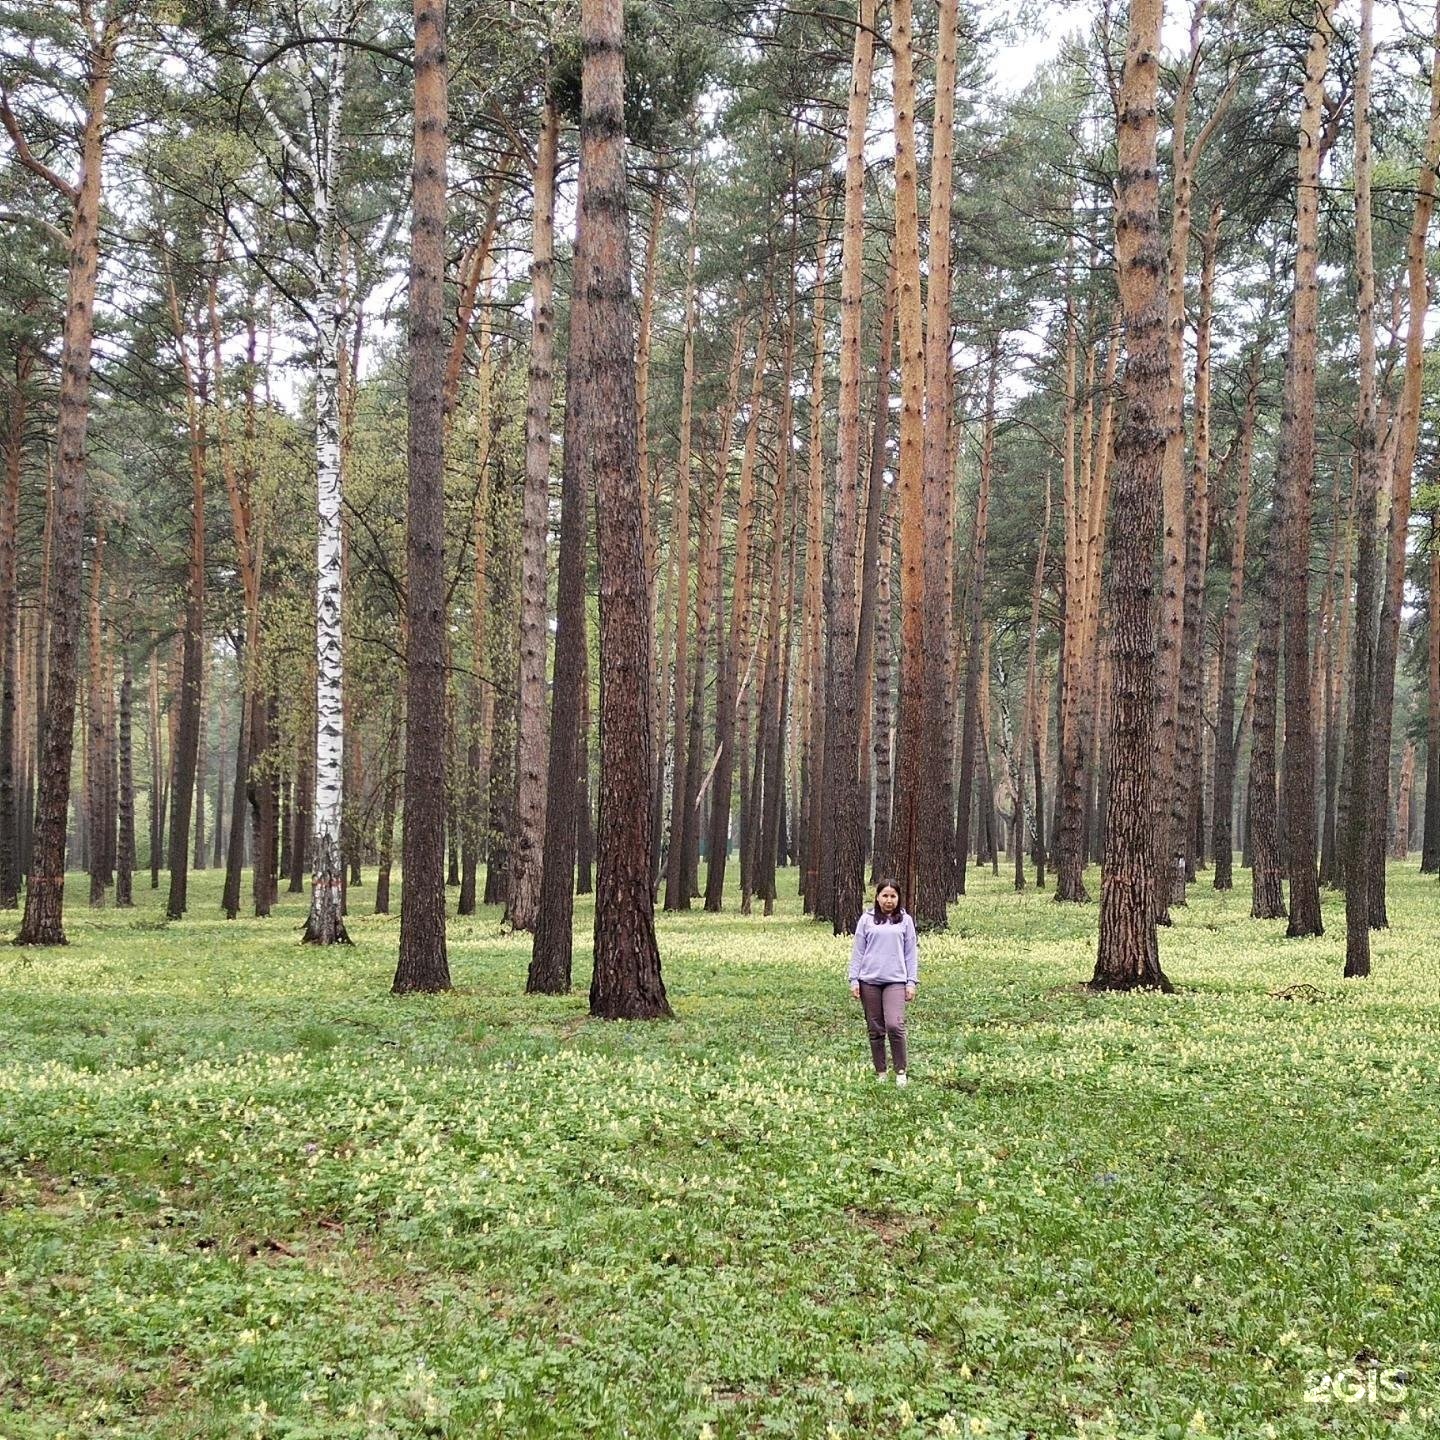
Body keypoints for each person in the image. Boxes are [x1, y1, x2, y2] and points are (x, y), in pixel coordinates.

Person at [848, 880, 918, 1085]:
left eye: (893, 896)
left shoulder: (905, 921)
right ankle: (881, 1071)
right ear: (877, 897)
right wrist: (854, 979)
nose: (889, 900)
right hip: (868, 981)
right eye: (885, 896)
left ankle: (901, 1071)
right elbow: (858, 951)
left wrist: (911, 982)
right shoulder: (866, 920)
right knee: (875, 1028)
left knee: (895, 1025)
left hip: (896, 980)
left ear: (898, 898)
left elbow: (911, 953)